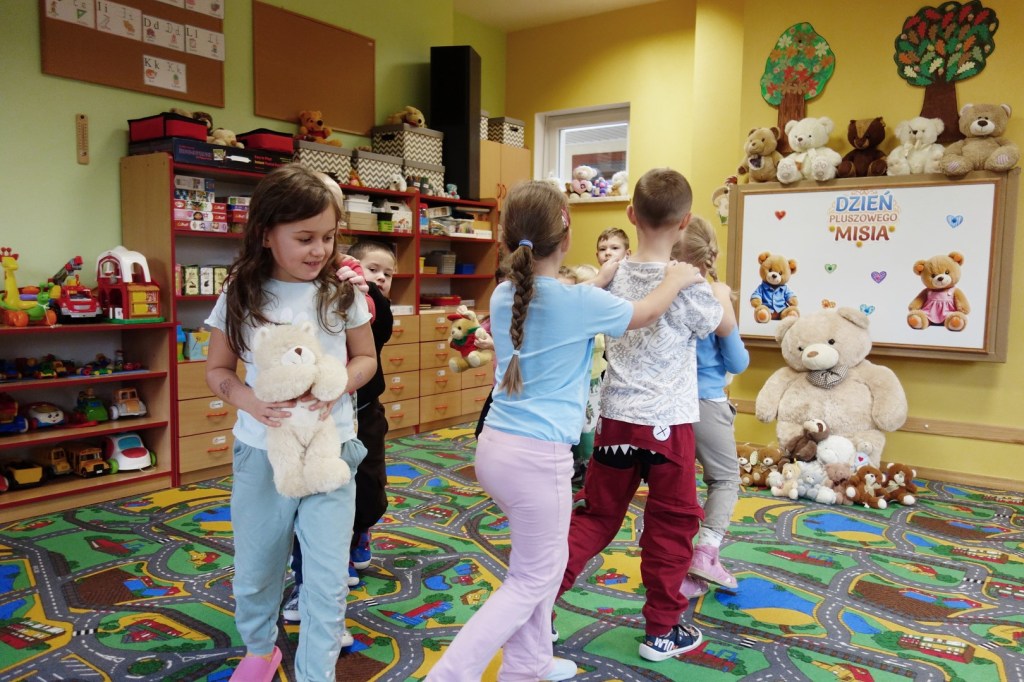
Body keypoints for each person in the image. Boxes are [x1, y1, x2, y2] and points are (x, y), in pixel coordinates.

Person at [426, 181, 703, 682]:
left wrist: (603, 277)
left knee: (538, 568)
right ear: (567, 235)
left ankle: (527, 663)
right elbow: (646, 313)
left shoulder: (506, 294)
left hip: (494, 451)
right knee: (531, 579)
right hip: (538, 461)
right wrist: (678, 278)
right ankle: (450, 675)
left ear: (508, 239)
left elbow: (562, 300)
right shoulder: (578, 304)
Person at [556, 168, 735, 664]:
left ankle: (538, 605)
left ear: (631, 215)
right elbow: (718, 326)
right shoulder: (688, 284)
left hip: (615, 422)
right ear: (686, 221)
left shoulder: (611, 277)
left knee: (595, 517)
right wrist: (712, 287)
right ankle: (662, 630)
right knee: (671, 525)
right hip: (668, 427)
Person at [205, 164, 376, 682]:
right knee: (257, 567)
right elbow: (217, 370)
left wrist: (340, 386)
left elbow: (366, 359)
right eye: (304, 238)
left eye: (328, 236)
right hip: (262, 453)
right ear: (266, 234)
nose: (319, 250)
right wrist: (249, 401)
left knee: (327, 577)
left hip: (331, 451)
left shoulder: (341, 292)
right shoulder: (241, 294)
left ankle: (316, 671)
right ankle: (261, 650)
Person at [282, 239, 396, 622]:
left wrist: (369, 294)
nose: (381, 276)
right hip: (321, 418)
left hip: (365, 411)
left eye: (388, 273)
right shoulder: (325, 294)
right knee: (318, 498)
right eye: (373, 268)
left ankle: (360, 530)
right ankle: (321, 568)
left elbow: (380, 331)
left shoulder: (371, 303)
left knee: (368, 490)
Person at [671, 214, 749, 598]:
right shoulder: (713, 297)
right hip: (707, 403)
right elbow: (737, 361)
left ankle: (678, 568)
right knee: (725, 479)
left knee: (678, 487)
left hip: (669, 404)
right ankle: (706, 551)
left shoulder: (664, 293)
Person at [570, 263, 605, 485]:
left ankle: (589, 466)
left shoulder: (598, 316)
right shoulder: (573, 316)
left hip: (591, 381)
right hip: (574, 381)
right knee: (575, 423)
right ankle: (575, 463)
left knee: (589, 426)